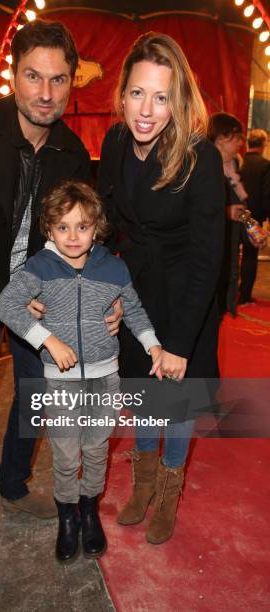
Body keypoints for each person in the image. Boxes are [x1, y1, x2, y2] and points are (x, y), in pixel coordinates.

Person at [0, 20, 121, 593]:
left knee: (36, 399)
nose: (45, 92)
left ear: (70, 85)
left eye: (58, 80)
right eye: (33, 76)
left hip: (38, 303)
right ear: (13, 75)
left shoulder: (72, 151)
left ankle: (13, 485)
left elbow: (87, 235)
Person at [98, 32, 225, 544]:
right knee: (143, 395)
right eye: (136, 93)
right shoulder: (112, 142)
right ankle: (143, 484)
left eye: (161, 97)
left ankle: (168, 493)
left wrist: (178, 343)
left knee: (175, 402)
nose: (146, 110)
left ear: (179, 100)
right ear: (122, 93)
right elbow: (106, 223)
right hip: (137, 293)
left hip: (184, 300)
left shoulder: (200, 158)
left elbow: (207, 258)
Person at [0, 180, 162, 563]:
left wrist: (152, 343)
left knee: (96, 450)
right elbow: (7, 304)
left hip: (105, 379)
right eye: (63, 227)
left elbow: (133, 310)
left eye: (82, 226)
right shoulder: (38, 267)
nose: (73, 236)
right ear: (49, 229)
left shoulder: (114, 267)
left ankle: (89, 512)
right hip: (60, 382)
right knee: (66, 455)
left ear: (96, 228)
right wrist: (46, 340)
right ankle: (67, 516)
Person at [208, 113, 247, 317]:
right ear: (222, 138)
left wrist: (249, 227)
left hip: (228, 245)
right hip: (210, 248)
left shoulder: (232, 166)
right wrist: (225, 212)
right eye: (237, 137)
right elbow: (191, 207)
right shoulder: (204, 163)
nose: (240, 143)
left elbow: (237, 203)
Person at [238, 128, 270, 305]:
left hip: (235, 216)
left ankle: (228, 291)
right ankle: (245, 295)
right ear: (263, 145)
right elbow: (267, 195)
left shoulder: (237, 162)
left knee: (231, 254)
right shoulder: (266, 165)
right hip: (254, 218)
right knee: (250, 257)